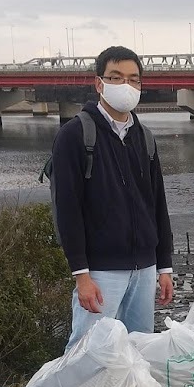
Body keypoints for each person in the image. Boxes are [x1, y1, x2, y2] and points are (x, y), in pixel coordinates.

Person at [52, 46, 174, 348]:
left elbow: (157, 203)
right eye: (116, 78)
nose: (126, 86)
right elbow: (67, 208)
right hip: (101, 271)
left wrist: (164, 266)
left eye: (134, 80)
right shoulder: (75, 135)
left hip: (144, 269)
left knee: (138, 350)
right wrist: (81, 275)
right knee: (89, 352)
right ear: (99, 83)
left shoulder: (144, 137)